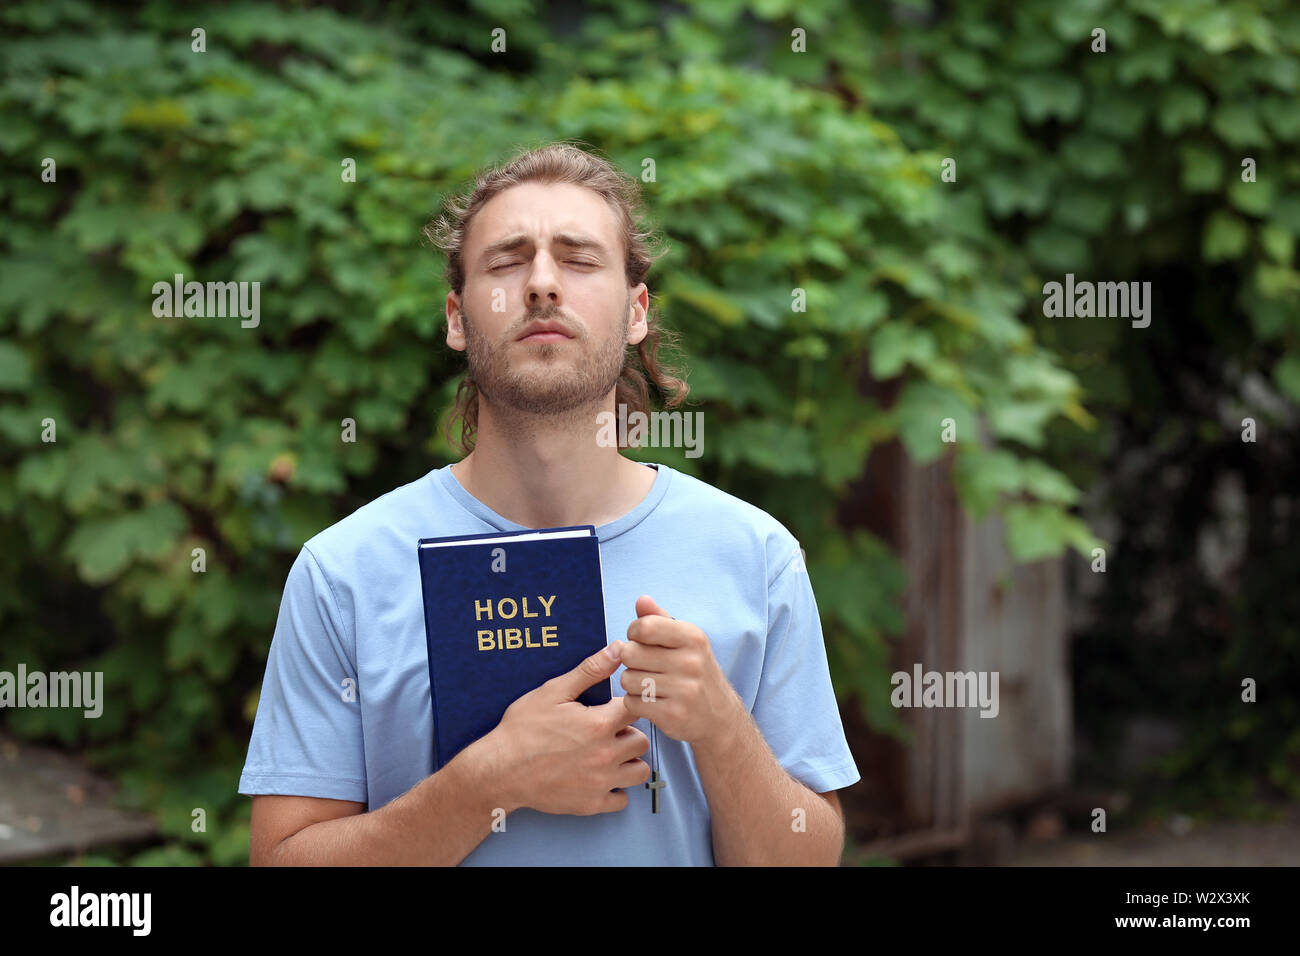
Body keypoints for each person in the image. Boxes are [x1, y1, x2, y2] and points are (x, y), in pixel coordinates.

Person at [239, 141, 860, 865]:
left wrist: (723, 731)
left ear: (636, 312)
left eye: (578, 258)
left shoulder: (756, 558)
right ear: (456, 318)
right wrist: (487, 783)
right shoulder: (342, 573)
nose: (541, 284)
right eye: (506, 261)